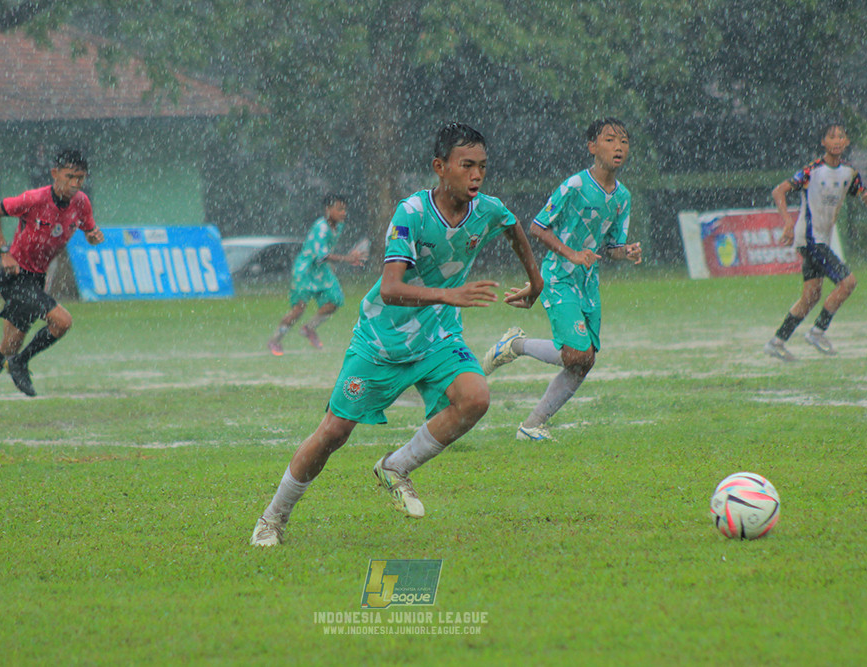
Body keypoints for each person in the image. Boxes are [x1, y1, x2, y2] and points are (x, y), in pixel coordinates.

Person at [250, 122, 544, 546]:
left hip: (439, 337)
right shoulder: (412, 213)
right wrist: (449, 293)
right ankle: (272, 519)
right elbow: (390, 288)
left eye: (482, 166)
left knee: (476, 398)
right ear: (440, 168)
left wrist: (534, 281)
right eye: (467, 166)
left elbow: (514, 226)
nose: (477, 175)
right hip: (381, 341)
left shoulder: (487, 209)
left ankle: (396, 466)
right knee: (333, 432)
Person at [480, 117, 642, 441]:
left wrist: (626, 252)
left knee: (585, 361)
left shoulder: (622, 197)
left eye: (623, 141)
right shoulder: (575, 186)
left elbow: (610, 246)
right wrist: (571, 254)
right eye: (609, 140)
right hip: (558, 276)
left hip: (588, 283)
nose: (618, 147)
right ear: (592, 146)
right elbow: (538, 227)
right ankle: (515, 345)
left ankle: (531, 426)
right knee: (576, 354)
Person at [0, 148, 104, 417]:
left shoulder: (81, 202)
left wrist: (93, 236)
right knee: (62, 321)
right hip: (15, 276)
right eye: (70, 176)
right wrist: (5, 253)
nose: (75, 184)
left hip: (36, 279)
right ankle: (21, 363)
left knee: (10, 344)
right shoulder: (34, 199)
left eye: (80, 178)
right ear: (54, 174)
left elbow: (89, 228)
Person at [763, 123, 867, 361]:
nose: (837, 141)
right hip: (810, 239)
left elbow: (863, 195)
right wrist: (787, 222)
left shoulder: (849, 173)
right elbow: (779, 191)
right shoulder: (812, 171)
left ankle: (777, 342)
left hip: (820, 240)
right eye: (831, 137)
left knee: (811, 297)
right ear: (823, 143)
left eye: (841, 137)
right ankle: (818, 331)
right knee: (848, 282)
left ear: (846, 143)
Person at [267, 194, 365, 355]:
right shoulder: (321, 227)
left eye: (344, 209)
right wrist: (347, 258)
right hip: (305, 270)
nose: (343, 213)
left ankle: (308, 328)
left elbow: (326, 253)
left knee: (335, 300)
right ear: (328, 210)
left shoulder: (338, 227)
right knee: (298, 309)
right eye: (339, 209)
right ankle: (274, 340)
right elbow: (322, 254)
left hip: (321, 270)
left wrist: (332, 264)